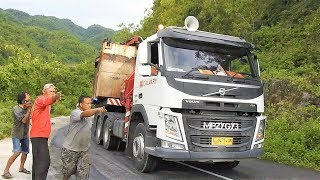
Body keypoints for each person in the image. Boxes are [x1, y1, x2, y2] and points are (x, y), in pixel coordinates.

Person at [61, 95, 106, 180]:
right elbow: (85, 114)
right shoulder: (75, 113)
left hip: (84, 150)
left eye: (90, 103)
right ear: (81, 104)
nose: (89, 105)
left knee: (83, 175)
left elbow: (89, 114)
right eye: (87, 103)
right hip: (71, 149)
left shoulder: (90, 115)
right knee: (68, 172)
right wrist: (97, 110)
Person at [30, 83, 61, 180]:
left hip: (40, 137)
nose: (53, 93)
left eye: (54, 91)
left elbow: (49, 102)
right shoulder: (40, 99)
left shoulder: (46, 105)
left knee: (38, 164)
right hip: (38, 136)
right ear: (44, 91)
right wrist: (56, 96)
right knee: (43, 163)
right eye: (51, 91)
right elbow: (47, 100)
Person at [2, 92, 32, 179]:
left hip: (25, 133)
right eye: (27, 97)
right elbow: (23, 120)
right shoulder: (16, 109)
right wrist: (29, 110)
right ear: (23, 100)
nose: (29, 98)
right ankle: (6, 171)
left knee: (25, 151)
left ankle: (21, 167)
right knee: (17, 152)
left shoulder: (28, 108)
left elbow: (30, 119)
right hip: (17, 134)